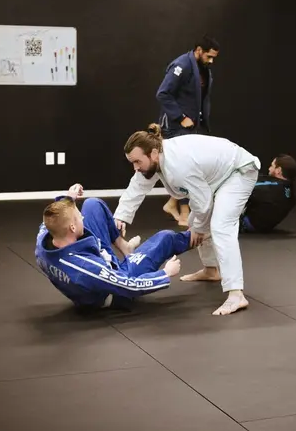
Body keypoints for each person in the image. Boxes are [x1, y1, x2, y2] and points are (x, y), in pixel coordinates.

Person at [113, 123, 260, 316]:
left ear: (154, 154)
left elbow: (204, 202)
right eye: (132, 162)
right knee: (195, 221)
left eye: (138, 162)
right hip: (218, 175)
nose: (135, 168)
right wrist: (120, 216)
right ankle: (211, 270)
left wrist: (199, 228)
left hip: (238, 171)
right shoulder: (153, 160)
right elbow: (136, 188)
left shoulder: (178, 166)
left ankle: (236, 294)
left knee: (220, 226)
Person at [34, 183, 193, 310]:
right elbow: (128, 285)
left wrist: (68, 198)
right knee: (165, 238)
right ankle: (201, 234)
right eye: (78, 217)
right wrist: (164, 274)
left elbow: (49, 221)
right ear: (73, 228)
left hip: (93, 264)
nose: (82, 217)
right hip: (113, 290)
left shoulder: (45, 238)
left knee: (92, 204)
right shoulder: (85, 268)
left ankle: (125, 248)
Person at [156, 36, 220, 227]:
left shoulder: (203, 69)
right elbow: (163, 93)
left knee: (193, 166)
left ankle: (171, 204)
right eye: (209, 56)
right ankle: (184, 213)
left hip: (193, 126)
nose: (211, 61)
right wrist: (180, 117)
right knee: (185, 168)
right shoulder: (181, 65)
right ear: (199, 50)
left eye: (214, 58)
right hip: (176, 125)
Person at [240, 154, 296, 233]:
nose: (269, 168)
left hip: (244, 224)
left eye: (272, 166)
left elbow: (244, 189)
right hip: (263, 226)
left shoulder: (272, 188)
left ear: (278, 170)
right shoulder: (292, 189)